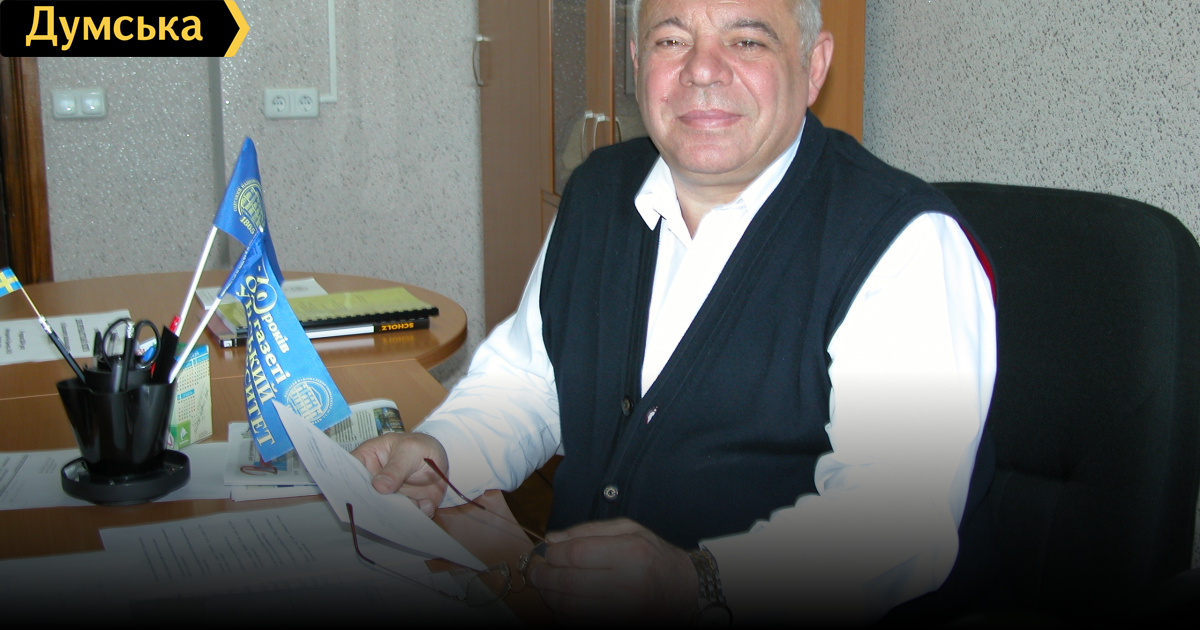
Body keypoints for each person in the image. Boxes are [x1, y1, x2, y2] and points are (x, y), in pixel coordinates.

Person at [353, 0, 996, 624]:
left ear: (814, 64)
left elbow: (897, 521)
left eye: (747, 40)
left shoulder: (904, 244)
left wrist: (700, 582)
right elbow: (531, 379)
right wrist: (443, 453)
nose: (702, 69)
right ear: (638, 62)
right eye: (671, 40)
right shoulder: (599, 189)